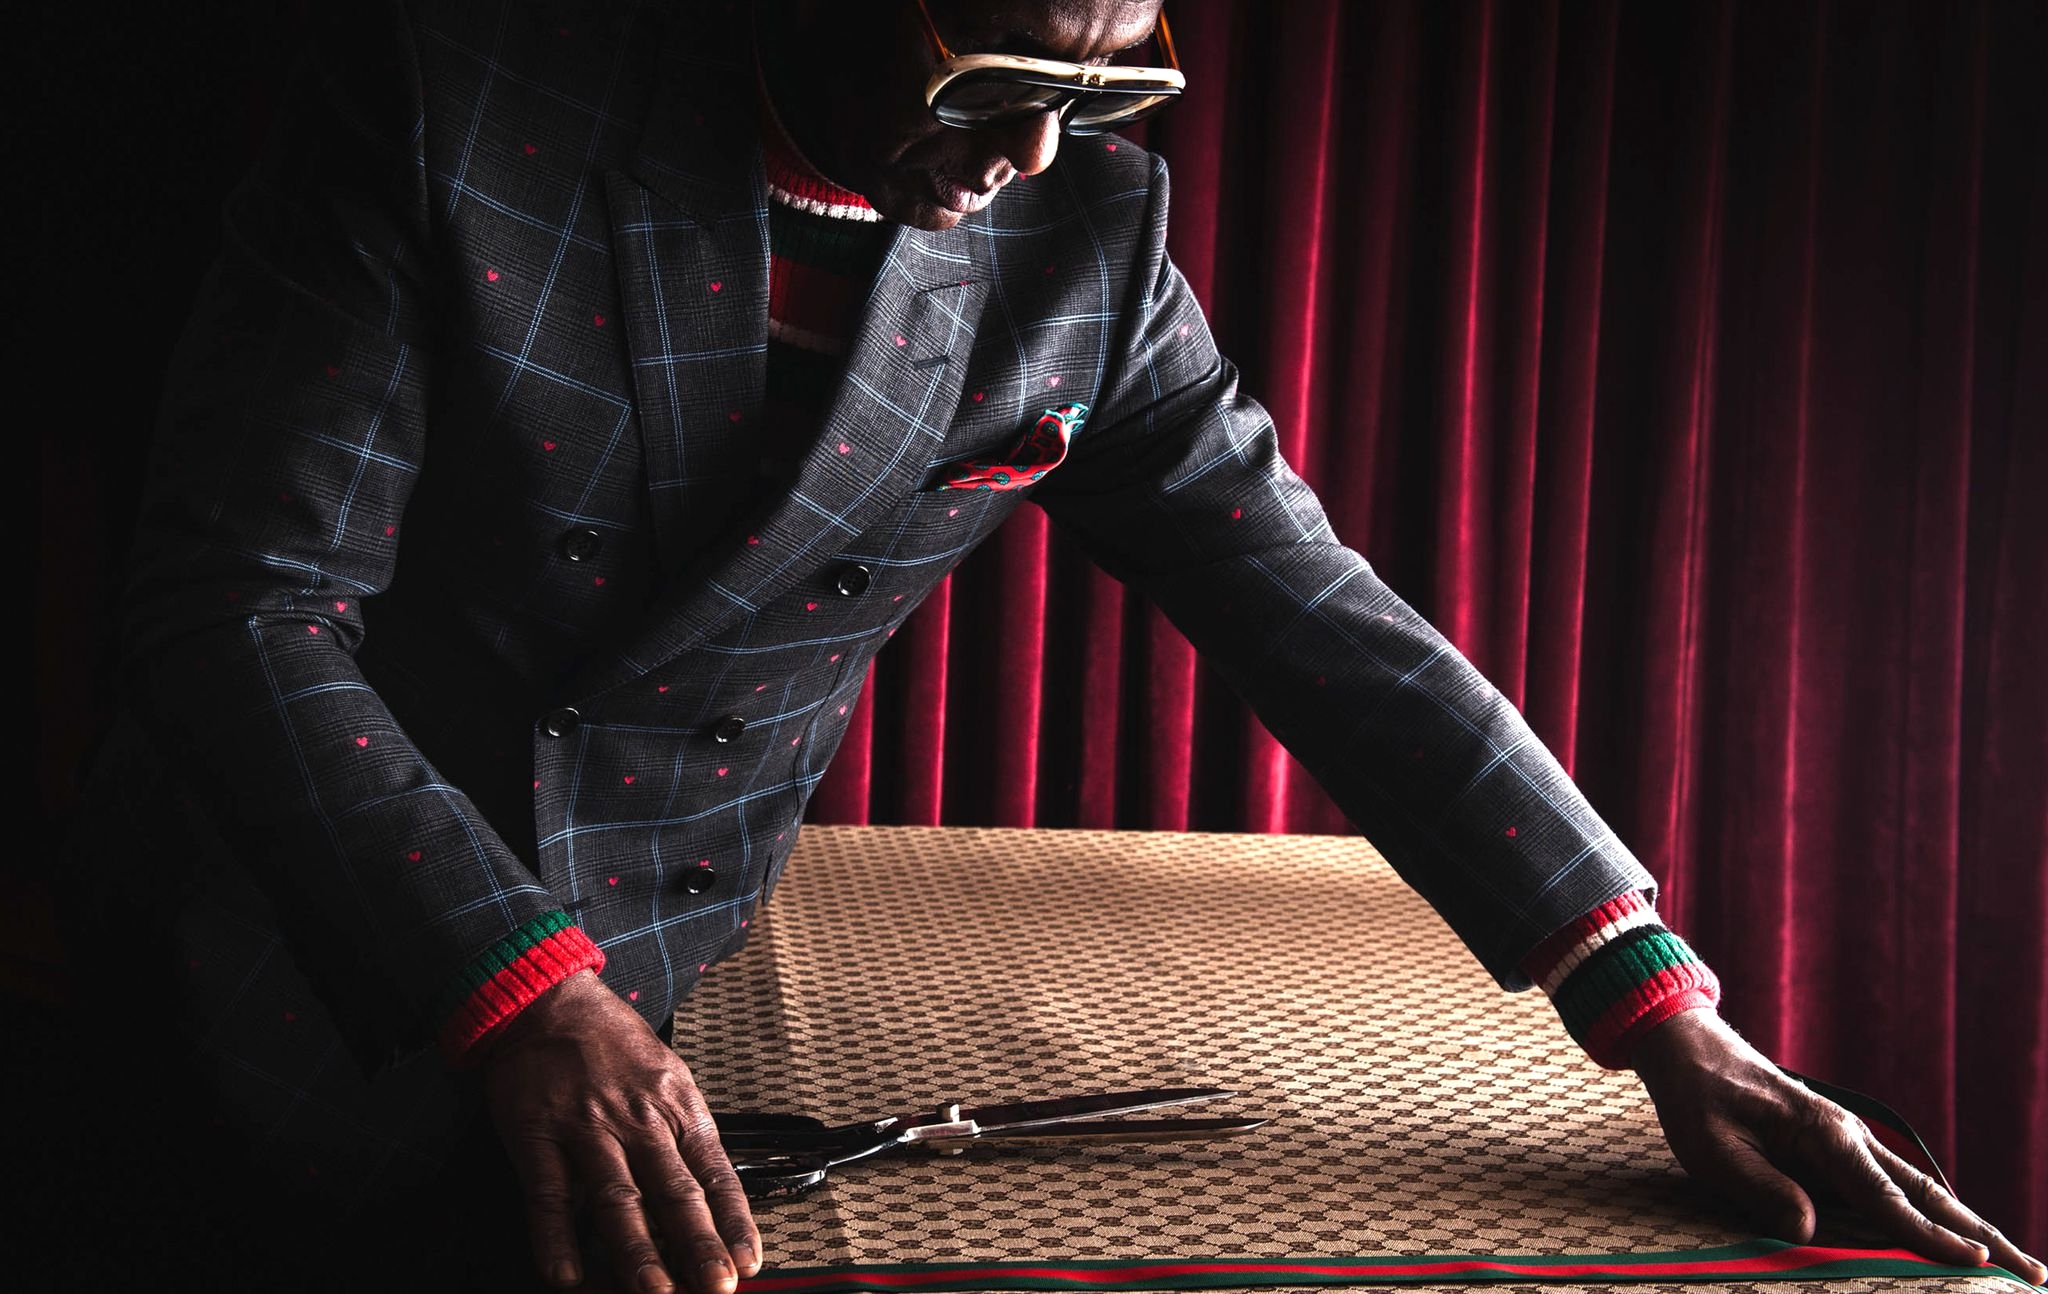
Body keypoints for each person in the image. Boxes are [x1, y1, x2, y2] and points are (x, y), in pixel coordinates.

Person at [68, 0, 2043, 1291]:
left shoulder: (1085, 244)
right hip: (284, 967)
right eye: (984, 76)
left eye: (1107, 85)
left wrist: (1656, 1007)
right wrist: (517, 988)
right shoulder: (454, 104)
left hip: (663, 978)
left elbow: (1323, 620)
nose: (1031, 150)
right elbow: (239, 605)